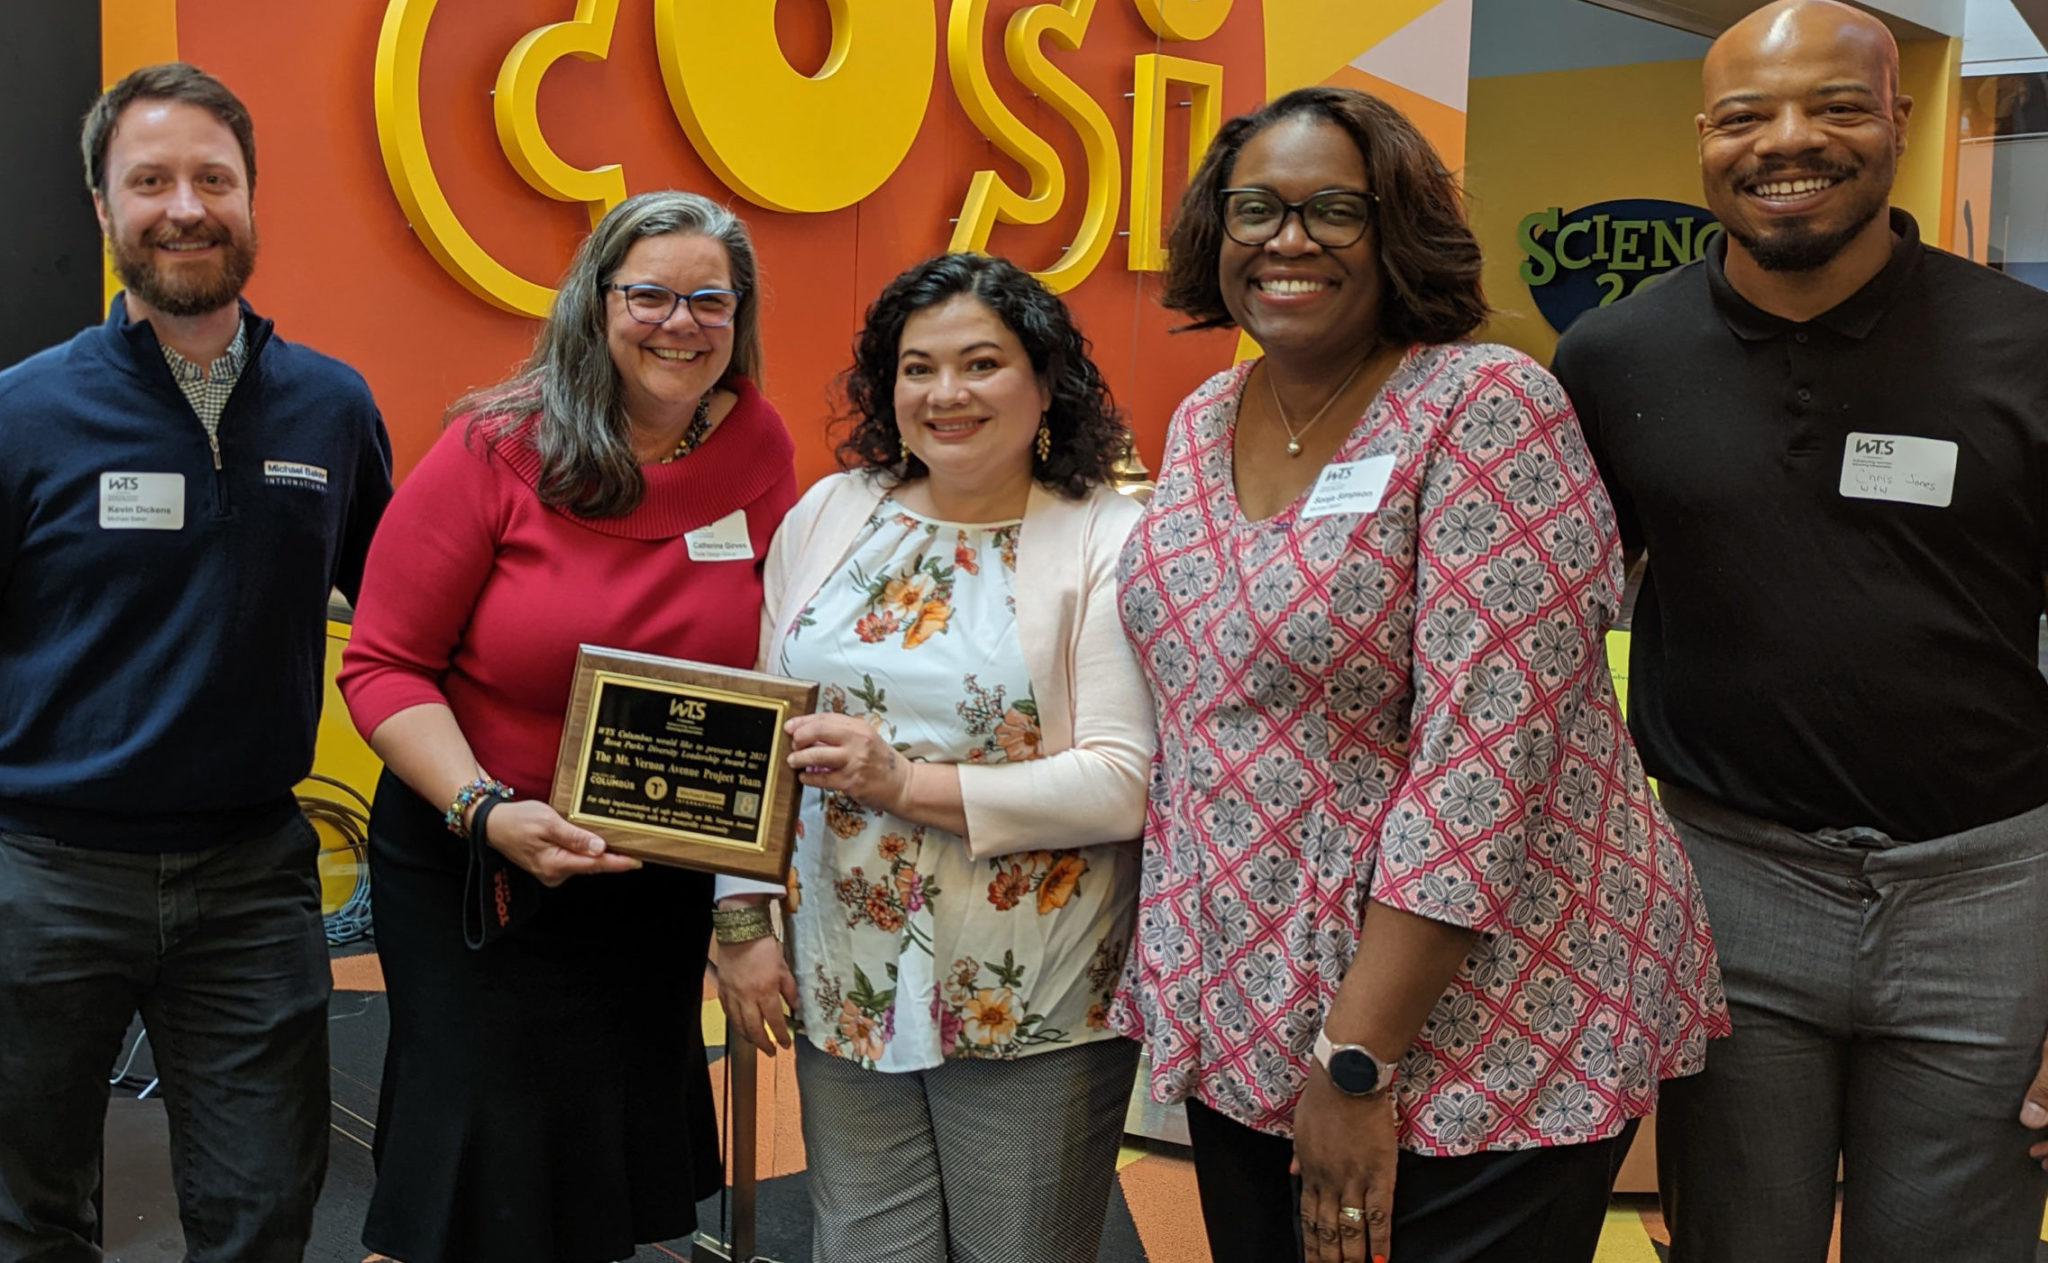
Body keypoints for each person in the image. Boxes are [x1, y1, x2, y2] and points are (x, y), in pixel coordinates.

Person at [1112, 85, 1729, 1263]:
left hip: (1479, 1018)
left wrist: (1356, 1057)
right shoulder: (1202, 417)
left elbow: (1482, 767)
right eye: (1255, 209)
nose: (1287, 240)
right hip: (1250, 1000)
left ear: (1395, 228)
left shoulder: (1484, 405)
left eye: (1332, 210)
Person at [1550, 2, 2048, 1259]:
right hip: (1727, 883)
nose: (1785, 142)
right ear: (1701, 138)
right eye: (1744, 116)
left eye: (1832, 107)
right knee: (1732, 1241)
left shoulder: (2025, 349)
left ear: (1896, 118)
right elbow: (1543, 628)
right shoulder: (1610, 359)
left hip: (1988, 894)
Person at [336, 190, 797, 1263]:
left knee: (598, 1151)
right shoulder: (495, 447)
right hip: (476, 862)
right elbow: (384, 663)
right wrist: (484, 810)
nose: (679, 323)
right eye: (649, 295)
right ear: (595, 302)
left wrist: (742, 909)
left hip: (650, 873)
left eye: (709, 301)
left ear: (737, 318)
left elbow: (774, 671)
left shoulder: (759, 451)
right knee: (476, 1141)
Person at [0, 62, 393, 1262]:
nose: (185, 208)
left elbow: (401, 620)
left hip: (250, 879)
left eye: (213, 180)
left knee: (262, 1212)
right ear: (104, 206)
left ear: (252, 198)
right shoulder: (23, 415)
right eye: (151, 181)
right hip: (45, 878)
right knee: (28, 1213)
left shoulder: (331, 409)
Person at [712, 252, 1152, 1263]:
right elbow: (760, 727)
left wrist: (903, 784)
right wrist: (740, 914)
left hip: (1031, 988)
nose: (945, 393)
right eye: (917, 368)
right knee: (863, 1247)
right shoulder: (832, 513)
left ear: (1045, 381)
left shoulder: (1109, 535)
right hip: (844, 970)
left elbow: (1121, 781)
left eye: (980, 364)